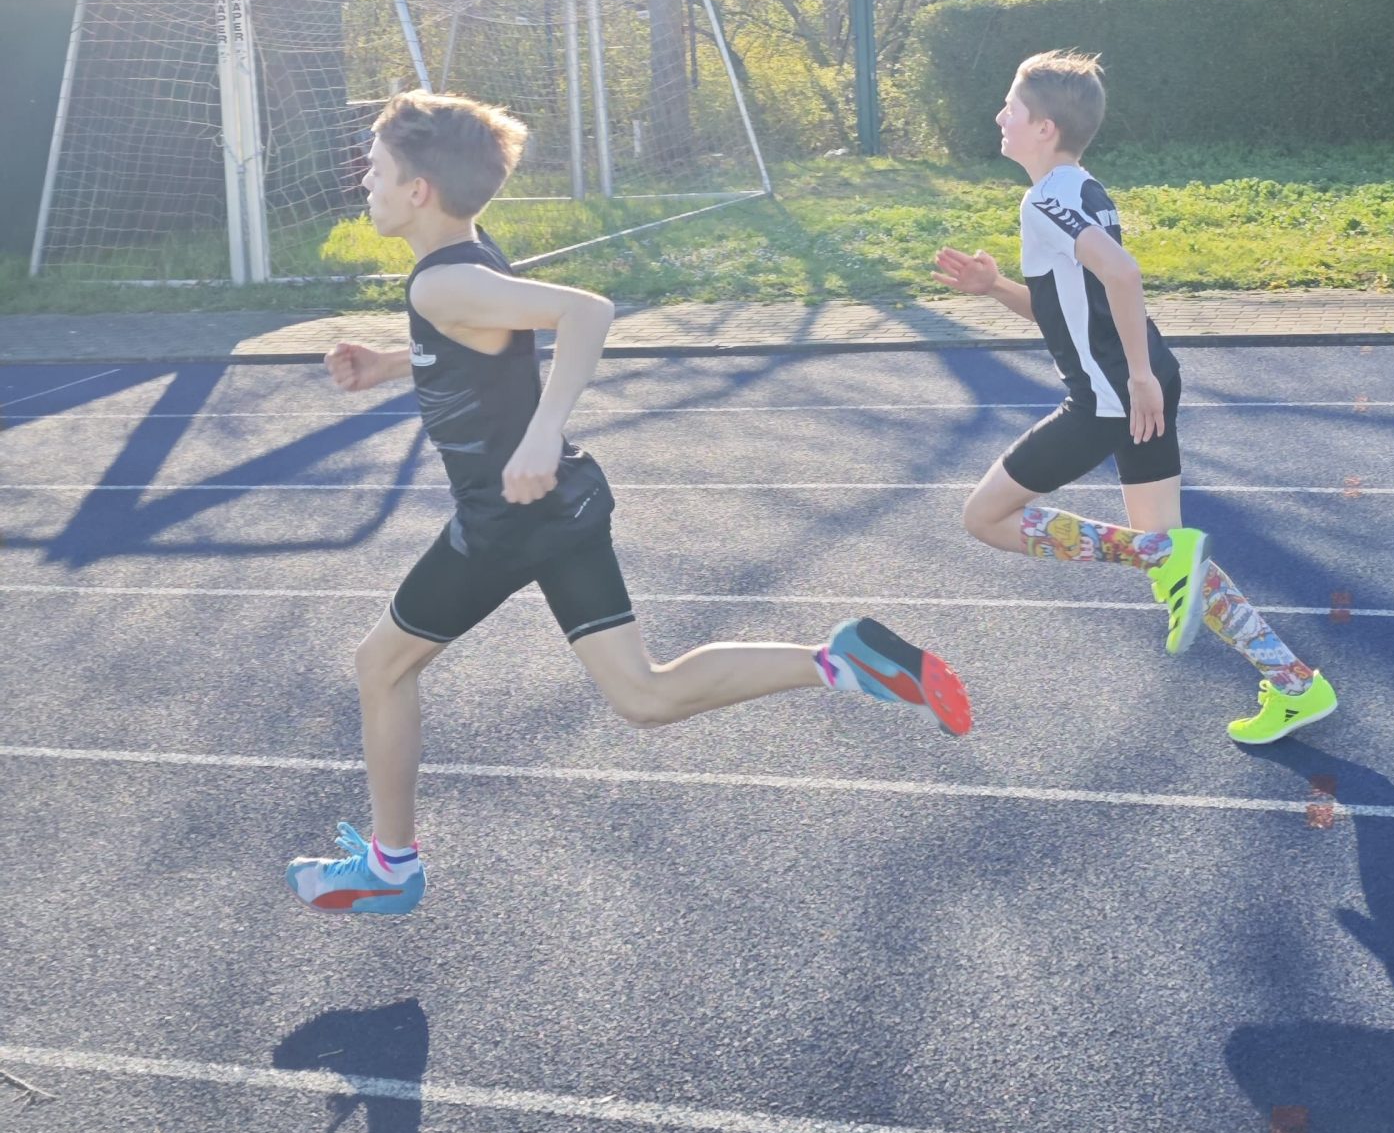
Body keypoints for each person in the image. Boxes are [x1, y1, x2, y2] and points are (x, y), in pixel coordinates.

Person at [288, 91, 971, 917]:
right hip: (560, 508)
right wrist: (392, 363)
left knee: (381, 665)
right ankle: (841, 661)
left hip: (506, 519)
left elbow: (587, 311)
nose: (364, 180)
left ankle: (392, 867)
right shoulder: (464, 264)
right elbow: (480, 339)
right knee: (646, 696)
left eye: (376, 167)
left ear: (418, 190)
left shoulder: (444, 284)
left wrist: (542, 434)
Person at [933, 49, 1335, 748]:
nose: (999, 116)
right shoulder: (1079, 188)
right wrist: (993, 288)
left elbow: (1122, 273)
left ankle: (1154, 553)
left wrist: (1138, 377)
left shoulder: (1045, 199)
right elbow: (1072, 310)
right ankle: (1295, 682)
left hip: (1112, 398)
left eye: (1011, 107)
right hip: (1138, 385)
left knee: (984, 516)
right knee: (1179, 563)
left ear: (1045, 128)